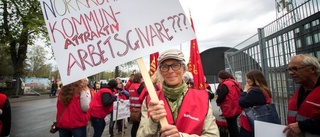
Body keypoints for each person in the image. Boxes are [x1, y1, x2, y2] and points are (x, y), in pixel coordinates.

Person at [137, 49, 219, 136]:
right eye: (165, 67)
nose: (170, 71)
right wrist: (152, 121)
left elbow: (213, 135)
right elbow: (140, 135)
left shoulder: (202, 98)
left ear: (183, 69)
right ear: (160, 72)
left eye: (176, 65)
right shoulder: (150, 100)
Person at [283, 54, 320, 137]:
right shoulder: (300, 91)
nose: (291, 73)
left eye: (295, 69)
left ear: (312, 69)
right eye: (289, 70)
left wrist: (303, 126)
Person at [238, 69, 272, 137]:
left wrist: (244, 91)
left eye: (249, 78)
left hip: (250, 124)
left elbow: (242, 102)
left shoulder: (255, 92)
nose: (247, 80)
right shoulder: (262, 89)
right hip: (259, 122)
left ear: (255, 79)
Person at [215, 70, 241, 137]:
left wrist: (218, 101)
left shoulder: (225, 84)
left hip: (229, 108)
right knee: (234, 125)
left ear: (221, 78)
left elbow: (221, 96)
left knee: (232, 127)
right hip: (237, 106)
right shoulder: (235, 82)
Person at [128, 72, 144, 137]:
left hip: (133, 109)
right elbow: (143, 95)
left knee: (135, 125)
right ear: (140, 78)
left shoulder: (131, 86)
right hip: (139, 109)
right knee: (139, 126)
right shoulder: (139, 87)